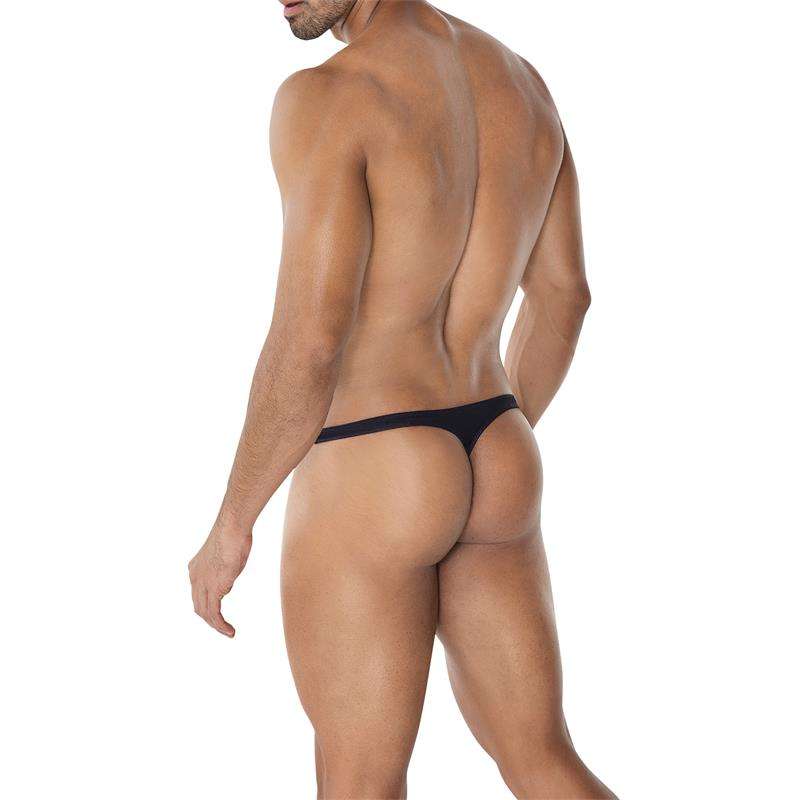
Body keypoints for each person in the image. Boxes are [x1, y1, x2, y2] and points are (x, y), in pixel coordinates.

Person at [189, 1, 615, 797]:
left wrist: (231, 522)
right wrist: (478, 460)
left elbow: (311, 339)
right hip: (498, 439)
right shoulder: (522, 84)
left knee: (360, 783)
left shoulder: (330, 95)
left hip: (374, 453)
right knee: (542, 759)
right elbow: (566, 296)